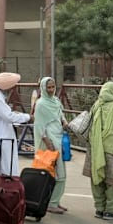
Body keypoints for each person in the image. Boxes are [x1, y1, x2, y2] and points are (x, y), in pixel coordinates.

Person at [82, 81, 113, 220]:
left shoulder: (96, 105)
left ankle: (99, 208)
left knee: (98, 177)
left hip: (95, 147)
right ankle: (111, 210)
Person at [0, 72, 31, 176]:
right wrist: (28, 117)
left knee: (2, 167)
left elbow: (5, 114)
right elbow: (9, 117)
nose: (13, 89)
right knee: (2, 170)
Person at [34, 77, 69, 214]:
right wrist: (47, 142)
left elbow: (61, 115)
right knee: (57, 172)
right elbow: (39, 125)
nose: (51, 90)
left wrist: (65, 123)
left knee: (61, 172)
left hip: (59, 137)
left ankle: (56, 201)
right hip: (50, 140)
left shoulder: (56, 101)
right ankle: (51, 203)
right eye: (48, 87)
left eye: (53, 87)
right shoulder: (41, 104)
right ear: (43, 88)